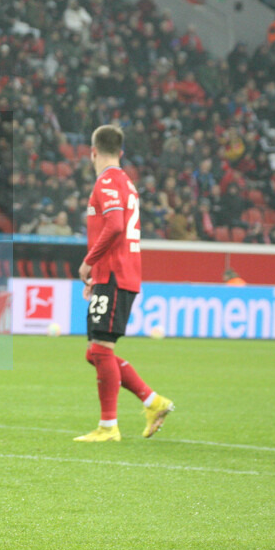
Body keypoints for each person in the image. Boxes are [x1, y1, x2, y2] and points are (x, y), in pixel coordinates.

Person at [75, 124, 174, 442]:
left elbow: (115, 224)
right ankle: (152, 401)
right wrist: (98, 273)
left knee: (101, 349)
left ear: (93, 152)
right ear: (121, 152)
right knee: (96, 352)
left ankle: (108, 427)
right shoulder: (127, 183)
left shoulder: (107, 182)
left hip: (115, 275)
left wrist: (90, 261)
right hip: (114, 274)